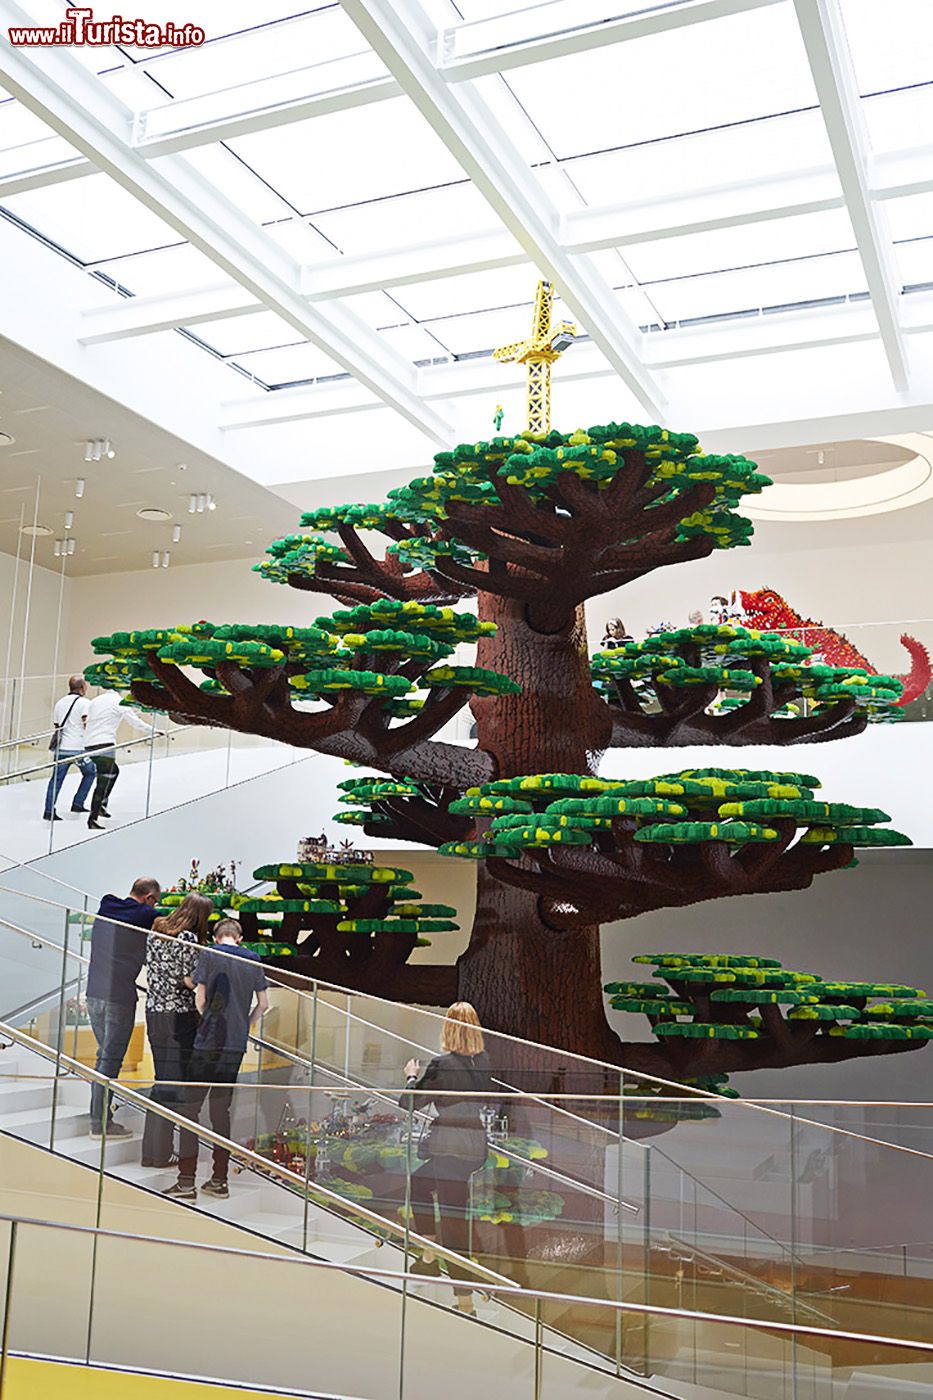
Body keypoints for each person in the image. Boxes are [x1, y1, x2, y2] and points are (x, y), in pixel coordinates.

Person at [401, 1002, 496, 1314]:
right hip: (473, 1145)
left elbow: (409, 1103)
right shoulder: (483, 1061)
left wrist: (412, 1077)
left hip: (449, 1147)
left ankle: (464, 1301)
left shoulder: (442, 1064)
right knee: (418, 1183)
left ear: (448, 1028)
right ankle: (428, 1254)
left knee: (455, 1226)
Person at [166, 918, 268, 1201]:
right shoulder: (253, 958)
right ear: (240, 937)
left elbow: (200, 999)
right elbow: (263, 1004)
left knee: (190, 1108)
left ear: (215, 936)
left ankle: (186, 1181)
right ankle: (219, 1180)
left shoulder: (209, 954)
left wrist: (208, 1020)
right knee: (220, 1113)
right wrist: (244, 1025)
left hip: (208, 1042)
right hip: (234, 1046)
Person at [141, 892, 214, 1169]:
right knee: (173, 1085)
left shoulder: (156, 930)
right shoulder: (189, 939)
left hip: (154, 1012)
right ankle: (160, 1154)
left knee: (162, 1082)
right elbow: (189, 980)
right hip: (179, 1016)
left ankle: (152, 1151)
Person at [85, 876, 162, 1138]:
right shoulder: (146, 914)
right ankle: (99, 1123)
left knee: (103, 1058)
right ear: (149, 898)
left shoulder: (107, 904)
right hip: (118, 998)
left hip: (93, 994)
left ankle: (100, 1116)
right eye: (155, 903)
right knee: (109, 1062)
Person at [83, 687, 156, 829]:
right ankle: (93, 818)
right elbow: (134, 722)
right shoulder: (118, 701)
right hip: (104, 744)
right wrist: (154, 731)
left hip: (89, 744)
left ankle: (101, 806)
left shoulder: (95, 700)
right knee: (103, 781)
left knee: (114, 772)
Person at [43, 675, 95, 821]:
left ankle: (48, 811)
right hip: (78, 749)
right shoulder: (85, 703)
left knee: (56, 780)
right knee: (90, 772)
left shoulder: (60, 703)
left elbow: (57, 726)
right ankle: (78, 803)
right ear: (82, 687)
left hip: (62, 749)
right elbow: (87, 724)